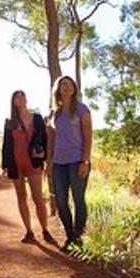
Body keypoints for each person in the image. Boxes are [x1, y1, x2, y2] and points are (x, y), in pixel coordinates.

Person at [1, 90, 57, 246]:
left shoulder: (37, 118)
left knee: (37, 197)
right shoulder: (10, 122)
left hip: (33, 161)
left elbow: (45, 139)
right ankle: (29, 231)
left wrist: (45, 157)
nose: (20, 99)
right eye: (16, 97)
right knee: (21, 196)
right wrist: (5, 165)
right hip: (15, 162)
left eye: (22, 96)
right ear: (13, 101)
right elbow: (6, 145)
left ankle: (45, 230)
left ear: (26, 99)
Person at [47, 75, 93, 252]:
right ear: (58, 90)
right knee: (60, 200)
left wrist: (85, 160)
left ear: (74, 88)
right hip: (59, 163)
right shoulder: (54, 114)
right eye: (63, 84)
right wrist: (49, 162)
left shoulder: (82, 110)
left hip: (77, 161)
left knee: (78, 199)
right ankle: (70, 235)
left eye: (69, 84)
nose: (66, 87)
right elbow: (51, 140)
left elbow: (88, 137)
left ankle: (78, 237)